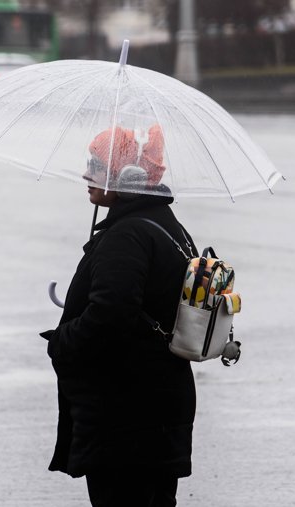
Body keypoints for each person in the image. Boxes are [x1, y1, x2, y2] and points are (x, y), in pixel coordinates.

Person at [40, 124, 197, 507]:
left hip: (128, 419)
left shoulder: (127, 235)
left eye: (96, 164)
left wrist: (62, 342)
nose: (86, 174)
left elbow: (111, 317)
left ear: (126, 175)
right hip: (158, 409)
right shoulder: (165, 224)